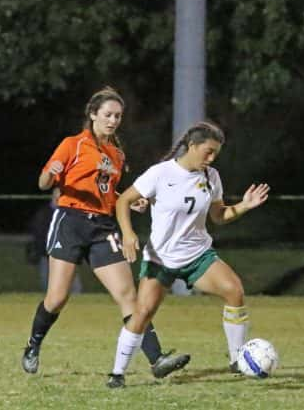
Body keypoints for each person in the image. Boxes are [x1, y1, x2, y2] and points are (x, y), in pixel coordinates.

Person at [21, 86, 189, 378]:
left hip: (102, 227)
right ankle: (33, 345)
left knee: (128, 296)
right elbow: (44, 184)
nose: (113, 120)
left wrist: (130, 200)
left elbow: (108, 194)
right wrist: (51, 173)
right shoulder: (72, 144)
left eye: (118, 116)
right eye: (108, 114)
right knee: (57, 298)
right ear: (93, 115)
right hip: (70, 222)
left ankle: (156, 359)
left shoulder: (117, 155)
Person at [107, 121, 270, 388]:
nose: (212, 158)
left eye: (216, 153)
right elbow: (123, 200)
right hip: (161, 258)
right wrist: (127, 233)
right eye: (208, 151)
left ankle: (237, 360)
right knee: (143, 312)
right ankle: (117, 374)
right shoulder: (160, 173)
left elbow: (218, 216)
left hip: (198, 255)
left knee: (234, 291)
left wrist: (243, 206)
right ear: (192, 146)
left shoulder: (211, 176)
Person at [26, 188, 82, 293]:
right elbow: (38, 235)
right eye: (57, 196)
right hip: (47, 256)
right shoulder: (44, 214)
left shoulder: (71, 213)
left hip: (67, 256)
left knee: (74, 289)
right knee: (48, 288)